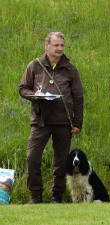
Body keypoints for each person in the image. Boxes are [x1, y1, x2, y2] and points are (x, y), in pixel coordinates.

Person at [19, 32, 84, 203]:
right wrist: (35, 95)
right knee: (32, 158)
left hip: (64, 122)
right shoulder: (35, 66)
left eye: (62, 45)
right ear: (46, 46)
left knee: (61, 163)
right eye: (56, 45)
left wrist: (77, 123)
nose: (60, 48)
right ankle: (36, 196)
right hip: (40, 121)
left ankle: (57, 196)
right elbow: (23, 89)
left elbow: (78, 98)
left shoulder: (71, 69)